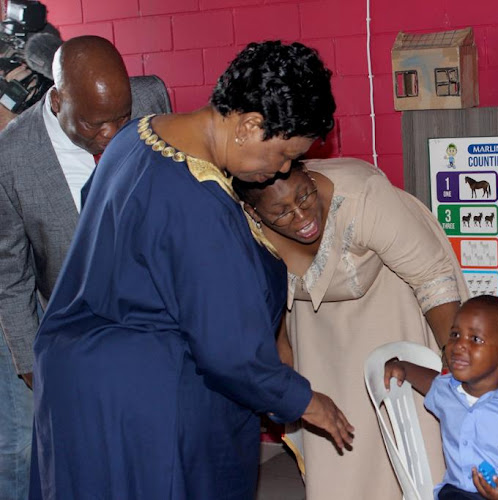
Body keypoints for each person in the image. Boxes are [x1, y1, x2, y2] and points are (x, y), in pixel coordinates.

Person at [30, 40, 353, 499]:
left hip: (77, 380)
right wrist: (305, 401)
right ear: (249, 125)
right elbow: (228, 351)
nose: (280, 171)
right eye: (282, 155)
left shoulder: (137, 135)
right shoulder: (201, 203)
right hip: (144, 403)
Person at [233, 157, 469, 499]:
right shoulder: (240, 225)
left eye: (304, 197)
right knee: (339, 450)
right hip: (318, 332)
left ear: (309, 175)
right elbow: (261, 298)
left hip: (394, 303)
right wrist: (282, 360)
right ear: (255, 213)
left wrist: (454, 363)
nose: (301, 217)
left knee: (412, 433)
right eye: (281, 213)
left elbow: (432, 279)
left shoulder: (363, 196)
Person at [0, 35, 170, 500]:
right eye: (96, 125)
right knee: (61, 454)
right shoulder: (11, 156)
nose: (113, 135)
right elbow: (10, 274)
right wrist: (33, 364)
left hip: (148, 317)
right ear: (57, 102)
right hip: (70, 319)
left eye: (121, 119)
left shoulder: (151, 97)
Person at [384, 295, 498, 500]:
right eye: (454, 334)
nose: (459, 345)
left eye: (475, 339)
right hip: (461, 492)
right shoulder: (448, 391)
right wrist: (404, 368)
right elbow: (431, 382)